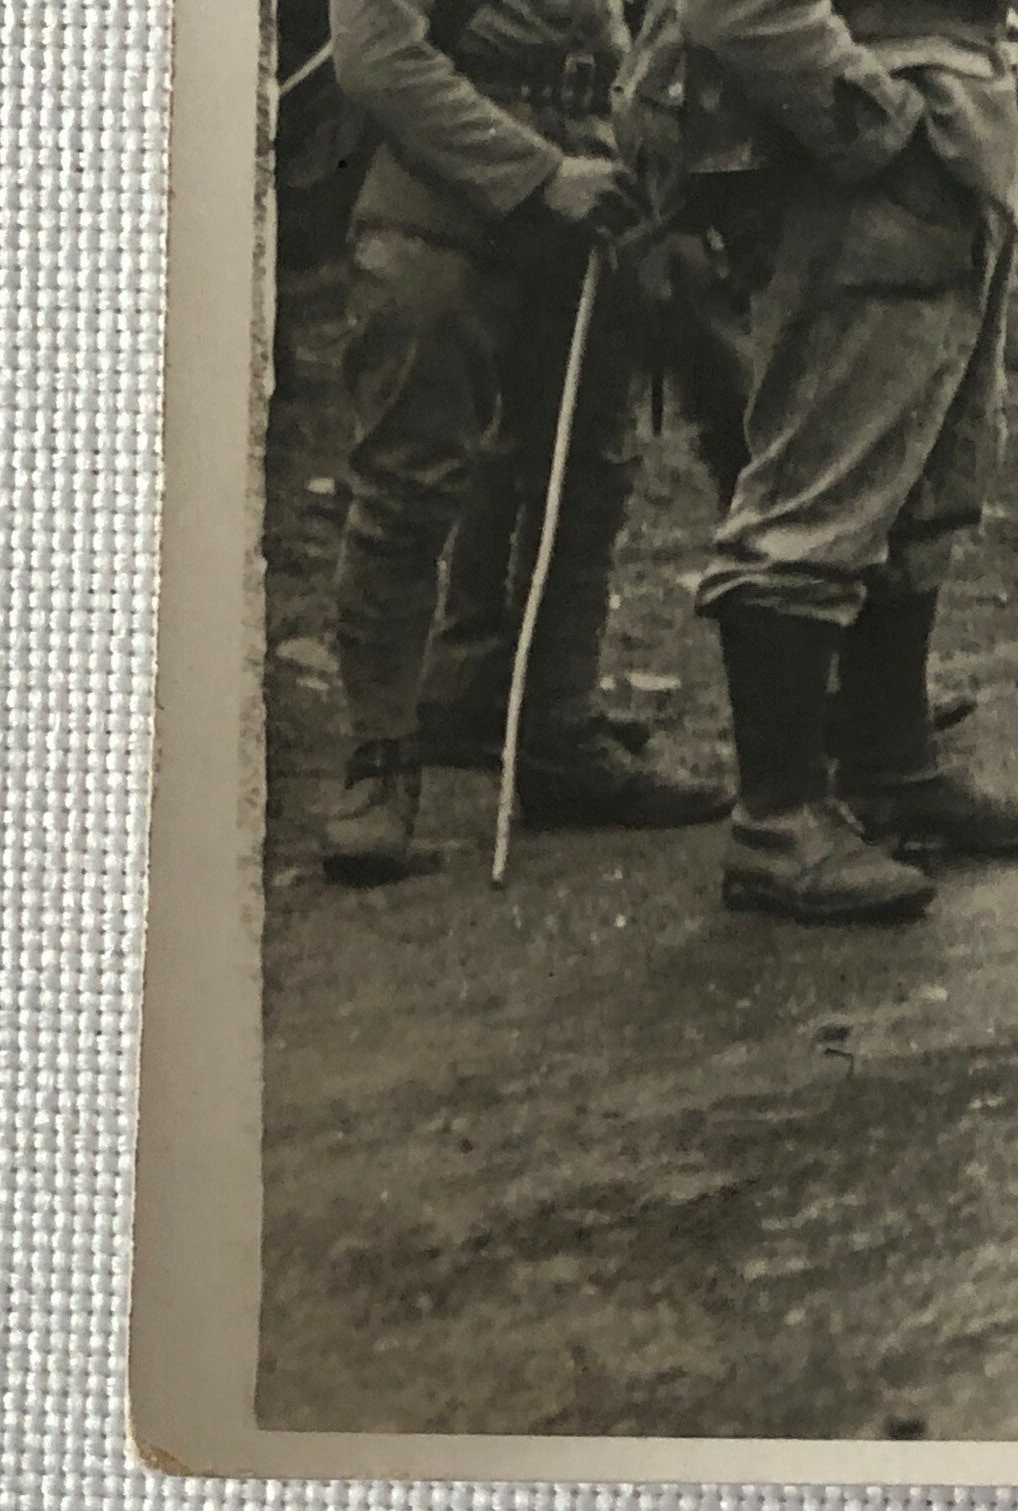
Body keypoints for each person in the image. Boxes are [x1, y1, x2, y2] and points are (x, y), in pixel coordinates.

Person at [658, 0, 1018, 924]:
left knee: (928, 474)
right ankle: (777, 820)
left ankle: (891, 768)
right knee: (819, 487)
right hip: (869, 169)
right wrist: (885, 132)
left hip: (952, 153)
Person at [321, 0, 729, 884]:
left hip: (592, 189)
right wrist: (539, 173)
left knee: (584, 474)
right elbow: (376, 58)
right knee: (409, 481)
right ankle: (380, 763)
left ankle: (553, 729)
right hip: (445, 196)